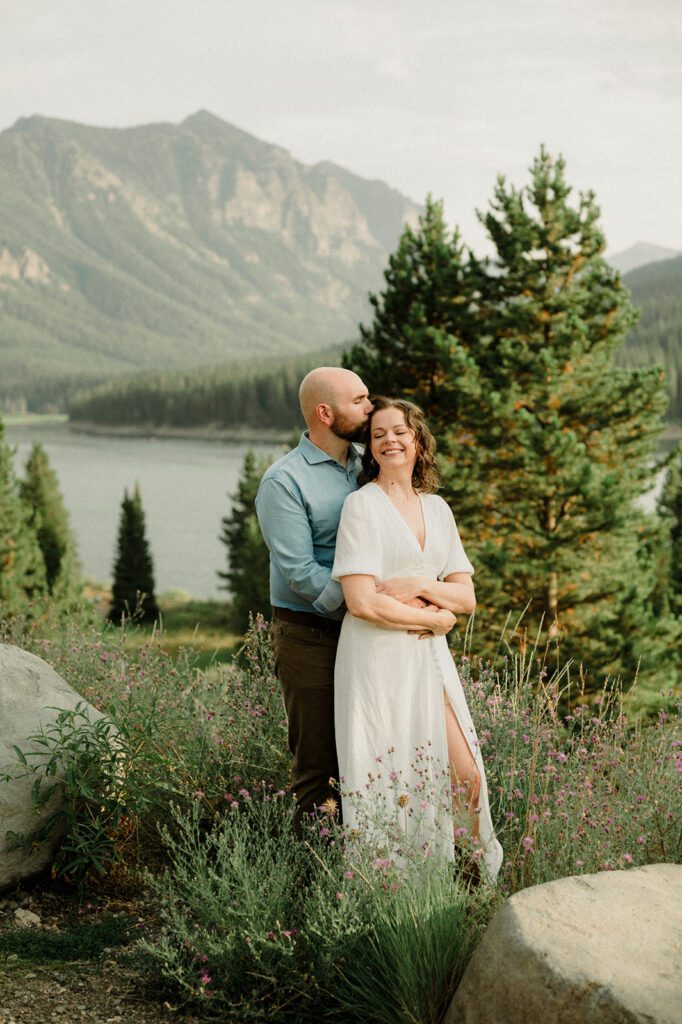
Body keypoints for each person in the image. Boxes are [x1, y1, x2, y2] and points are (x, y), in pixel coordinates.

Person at [331, 396, 503, 883]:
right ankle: (396, 892)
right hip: (376, 657)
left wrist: (423, 587)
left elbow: (465, 596)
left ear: (417, 440)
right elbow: (361, 600)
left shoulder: (437, 509)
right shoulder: (361, 507)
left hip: (428, 660)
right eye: (379, 433)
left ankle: (471, 886)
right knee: (389, 778)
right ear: (370, 446)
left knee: (466, 775)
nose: (389, 440)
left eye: (399, 431)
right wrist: (434, 620)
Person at [255, 367, 374, 828]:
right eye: (359, 400)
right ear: (325, 413)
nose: (370, 407)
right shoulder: (282, 481)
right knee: (319, 767)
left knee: (367, 753)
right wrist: (366, 604)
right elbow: (300, 573)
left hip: (368, 630)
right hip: (310, 638)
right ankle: (313, 883)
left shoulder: (369, 464)